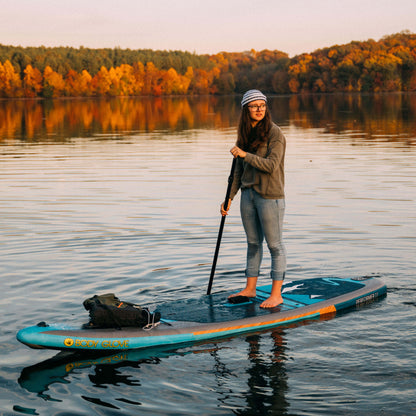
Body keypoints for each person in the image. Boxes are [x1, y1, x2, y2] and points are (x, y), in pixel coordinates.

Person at [221, 89, 286, 308]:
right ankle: (250, 289)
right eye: (254, 106)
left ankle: (276, 294)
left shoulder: (276, 134)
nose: (259, 109)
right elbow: (237, 172)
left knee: (274, 245)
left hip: (269, 196)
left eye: (262, 105)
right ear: (246, 109)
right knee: (252, 243)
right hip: (248, 196)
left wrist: (245, 154)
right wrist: (229, 198)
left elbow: (271, 166)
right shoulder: (244, 135)